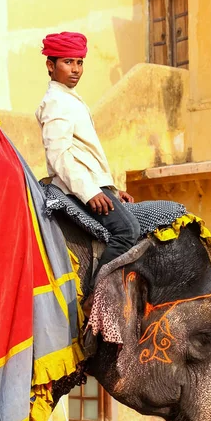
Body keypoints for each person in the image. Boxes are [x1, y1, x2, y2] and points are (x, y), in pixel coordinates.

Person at [36, 31, 140, 316]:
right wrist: (90, 191)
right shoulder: (56, 102)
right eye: (68, 62)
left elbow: (86, 154)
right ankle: (96, 296)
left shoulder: (70, 98)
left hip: (95, 184)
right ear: (50, 65)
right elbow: (59, 154)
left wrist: (111, 188)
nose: (75, 69)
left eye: (80, 62)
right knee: (127, 230)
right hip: (76, 187)